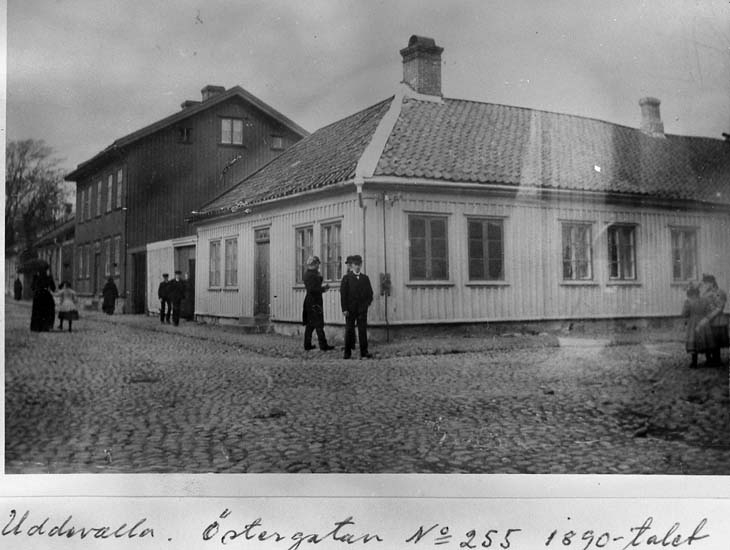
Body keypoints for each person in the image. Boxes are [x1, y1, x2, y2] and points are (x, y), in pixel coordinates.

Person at [340, 254, 374, 359]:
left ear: (361, 265)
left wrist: (366, 304)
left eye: (359, 264)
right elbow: (343, 295)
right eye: (355, 264)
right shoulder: (346, 278)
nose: (357, 267)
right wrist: (344, 309)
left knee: (362, 331)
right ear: (352, 265)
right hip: (350, 310)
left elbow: (370, 294)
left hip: (362, 310)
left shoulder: (365, 278)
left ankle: (364, 352)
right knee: (349, 330)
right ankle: (347, 353)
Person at [302, 256, 335, 351]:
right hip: (314, 302)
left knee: (310, 325)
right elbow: (313, 289)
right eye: (317, 264)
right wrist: (323, 289)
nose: (318, 266)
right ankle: (323, 345)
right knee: (318, 324)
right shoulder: (312, 275)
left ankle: (307, 345)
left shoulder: (308, 274)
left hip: (310, 301)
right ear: (314, 264)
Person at [699, 273, 728, 365]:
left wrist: (708, 318)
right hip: (708, 320)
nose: (705, 285)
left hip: (717, 320)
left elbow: (719, 308)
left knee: (716, 340)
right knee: (709, 340)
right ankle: (710, 359)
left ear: (711, 283)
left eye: (706, 283)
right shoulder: (705, 293)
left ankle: (716, 359)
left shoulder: (719, 292)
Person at [681, 283, 712, 368]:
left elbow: (684, 313)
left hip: (693, 323)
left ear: (691, 293)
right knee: (705, 338)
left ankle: (694, 363)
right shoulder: (705, 300)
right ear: (698, 292)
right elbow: (709, 311)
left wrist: (687, 317)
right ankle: (709, 360)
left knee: (694, 339)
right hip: (704, 322)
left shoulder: (688, 301)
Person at [30, 267, 56, 332]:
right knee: (47, 312)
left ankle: (36, 327)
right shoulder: (48, 278)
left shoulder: (36, 277)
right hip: (46, 296)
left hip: (38, 296)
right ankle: (45, 327)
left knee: (37, 312)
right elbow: (53, 288)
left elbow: (32, 287)